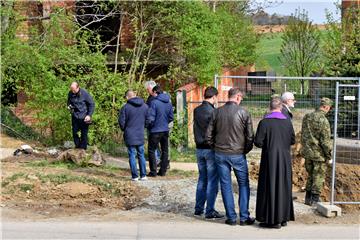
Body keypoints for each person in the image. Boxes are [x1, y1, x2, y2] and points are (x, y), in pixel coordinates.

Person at [205, 88, 255, 226]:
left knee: (226, 185)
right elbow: (250, 136)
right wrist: (244, 150)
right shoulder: (243, 113)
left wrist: (215, 148)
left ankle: (231, 217)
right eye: (241, 98)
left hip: (221, 153)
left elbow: (208, 136)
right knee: (243, 184)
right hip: (238, 153)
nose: (242, 100)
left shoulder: (217, 112)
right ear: (238, 97)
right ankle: (244, 217)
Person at [254, 97, 296, 229]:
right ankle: (283, 218)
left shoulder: (264, 122)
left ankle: (271, 220)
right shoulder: (288, 122)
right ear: (281, 108)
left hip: (269, 158)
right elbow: (292, 140)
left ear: (270, 107)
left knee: (269, 186)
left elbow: (258, 142)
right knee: (283, 186)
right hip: (284, 159)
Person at [193, 86, 224, 219]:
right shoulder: (213, 112)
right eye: (217, 97)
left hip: (199, 148)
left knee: (202, 179)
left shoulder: (196, 110)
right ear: (214, 97)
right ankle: (210, 210)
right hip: (210, 149)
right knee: (212, 181)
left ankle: (198, 208)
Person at [301, 97, 333, 206]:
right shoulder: (324, 121)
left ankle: (307, 198)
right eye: (329, 108)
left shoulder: (307, 116)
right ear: (326, 107)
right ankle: (315, 200)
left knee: (310, 175)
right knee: (318, 176)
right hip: (319, 154)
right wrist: (329, 155)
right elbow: (325, 142)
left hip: (307, 152)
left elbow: (304, 134)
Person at [119, 90, 148, 181]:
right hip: (140, 133)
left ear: (127, 97)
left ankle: (135, 176)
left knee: (132, 155)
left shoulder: (125, 107)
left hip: (129, 134)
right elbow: (148, 119)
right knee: (141, 154)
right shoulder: (145, 106)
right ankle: (143, 175)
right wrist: (143, 127)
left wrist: (125, 129)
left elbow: (121, 122)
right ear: (135, 95)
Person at [146, 85, 174, 177]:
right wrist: (164, 123)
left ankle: (153, 172)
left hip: (155, 130)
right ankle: (163, 171)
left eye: (153, 93)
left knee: (151, 150)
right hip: (165, 130)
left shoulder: (154, 102)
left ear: (155, 93)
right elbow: (171, 117)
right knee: (165, 151)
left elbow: (150, 118)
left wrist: (149, 126)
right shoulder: (169, 103)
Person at [67, 82, 95, 150]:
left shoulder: (85, 93)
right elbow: (68, 102)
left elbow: (92, 104)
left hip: (84, 117)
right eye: (71, 89)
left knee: (84, 134)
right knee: (74, 132)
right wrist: (69, 107)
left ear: (78, 87)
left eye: (74, 90)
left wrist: (89, 115)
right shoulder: (70, 93)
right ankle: (77, 147)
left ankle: (83, 149)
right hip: (75, 116)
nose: (73, 91)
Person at [144, 80, 161, 165]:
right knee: (156, 144)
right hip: (154, 124)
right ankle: (157, 159)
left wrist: (148, 123)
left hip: (153, 125)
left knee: (153, 143)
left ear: (151, 88)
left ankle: (156, 160)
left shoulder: (154, 98)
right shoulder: (151, 97)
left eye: (148, 89)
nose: (147, 91)